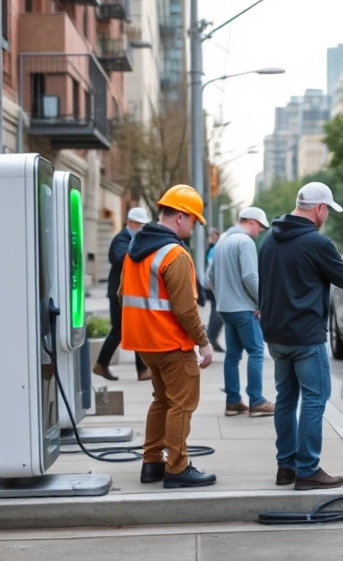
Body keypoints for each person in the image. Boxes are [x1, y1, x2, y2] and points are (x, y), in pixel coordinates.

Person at [259, 182, 343, 491]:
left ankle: (286, 467)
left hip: (276, 336)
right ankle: (307, 470)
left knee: (286, 400)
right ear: (319, 208)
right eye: (327, 209)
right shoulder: (317, 243)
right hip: (306, 338)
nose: (327, 215)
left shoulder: (268, 239)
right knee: (315, 399)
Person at [121, 185, 216, 489]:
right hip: (172, 343)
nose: (193, 227)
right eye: (193, 221)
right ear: (180, 217)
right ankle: (177, 468)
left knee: (161, 401)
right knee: (182, 405)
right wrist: (204, 342)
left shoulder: (135, 250)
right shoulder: (174, 254)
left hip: (145, 343)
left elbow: (123, 293)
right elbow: (185, 308)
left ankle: (152, 463)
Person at [209, 207, 275, 417]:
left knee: (232, 355)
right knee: (256, 352)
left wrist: (222, 296)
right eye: (260, 228)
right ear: (252, 222)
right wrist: (261, 303)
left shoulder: (222, 241)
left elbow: (209, 275)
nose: (260, 233)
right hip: (244, 308)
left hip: (226, 308)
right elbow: (250, 277)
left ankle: (233, 401)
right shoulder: (244, 242)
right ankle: (256, 401)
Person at [94, 207, 152, 382]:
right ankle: (138, 370)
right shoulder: (122, 239)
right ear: (132, 223)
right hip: (119, 293)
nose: (143, 228)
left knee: (130, 330)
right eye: (141, 225)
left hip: (126, 293)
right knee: (122, 331)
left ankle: (102, 365)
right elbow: (119, 258)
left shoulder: (132, 239)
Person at [204, 228, 224, 352]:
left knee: (215, 310)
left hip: (212, 284)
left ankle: (211, 336)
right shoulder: (215, 249)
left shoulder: (215, 248)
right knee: (217, 311)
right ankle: (211, 336)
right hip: (214, 285)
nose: (212, 237)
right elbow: (211, 269)